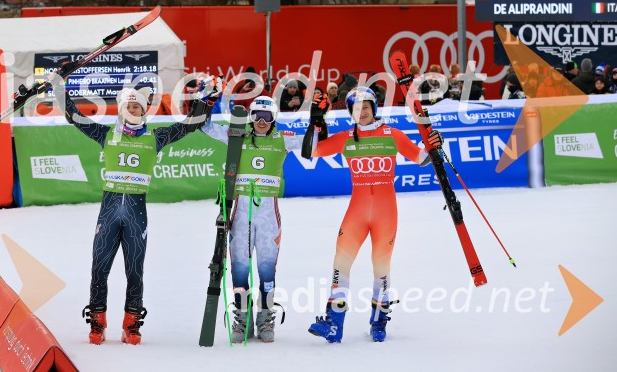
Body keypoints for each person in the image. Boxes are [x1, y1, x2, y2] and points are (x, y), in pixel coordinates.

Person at [53, 81, 200, 346]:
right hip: (108, 214)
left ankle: (131, 325)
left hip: (136, 214)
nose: (132, 110)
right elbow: (74, 116)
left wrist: (205, 100)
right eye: (128, 106)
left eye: (137, 107)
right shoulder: (107, 134)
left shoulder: (155, 137)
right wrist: (58, 88)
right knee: (99, 268)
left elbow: (190, 124)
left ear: (144, 112)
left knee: (135, 271)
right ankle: (98, 323)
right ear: (121, 111)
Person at [304, 87, 443, 344]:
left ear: (374, 109)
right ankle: (334, 325)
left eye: (366, 107)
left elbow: (423, 158)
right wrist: (316, 121)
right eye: (356, 109)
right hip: (356, 211)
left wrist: (433, 142)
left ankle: (378, 321)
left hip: (385, 212)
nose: (362, 112)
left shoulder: (392, 134)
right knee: (340, 264)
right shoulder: (345, 137)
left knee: (381, 268)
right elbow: (311, 151)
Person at [199, 92, 309, 343]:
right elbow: (205, 127)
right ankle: (242, 316)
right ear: (250, 116)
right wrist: (206, 103)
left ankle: (265, 315)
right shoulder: (238, 135)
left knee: (267, 270)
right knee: (240, 268)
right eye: (257, 115)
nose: (261, 120)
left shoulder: (282, 138)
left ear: (274, 118)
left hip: (269, 215)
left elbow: (314, 143)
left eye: (267, 115)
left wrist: (318, 120)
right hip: (240, 213)